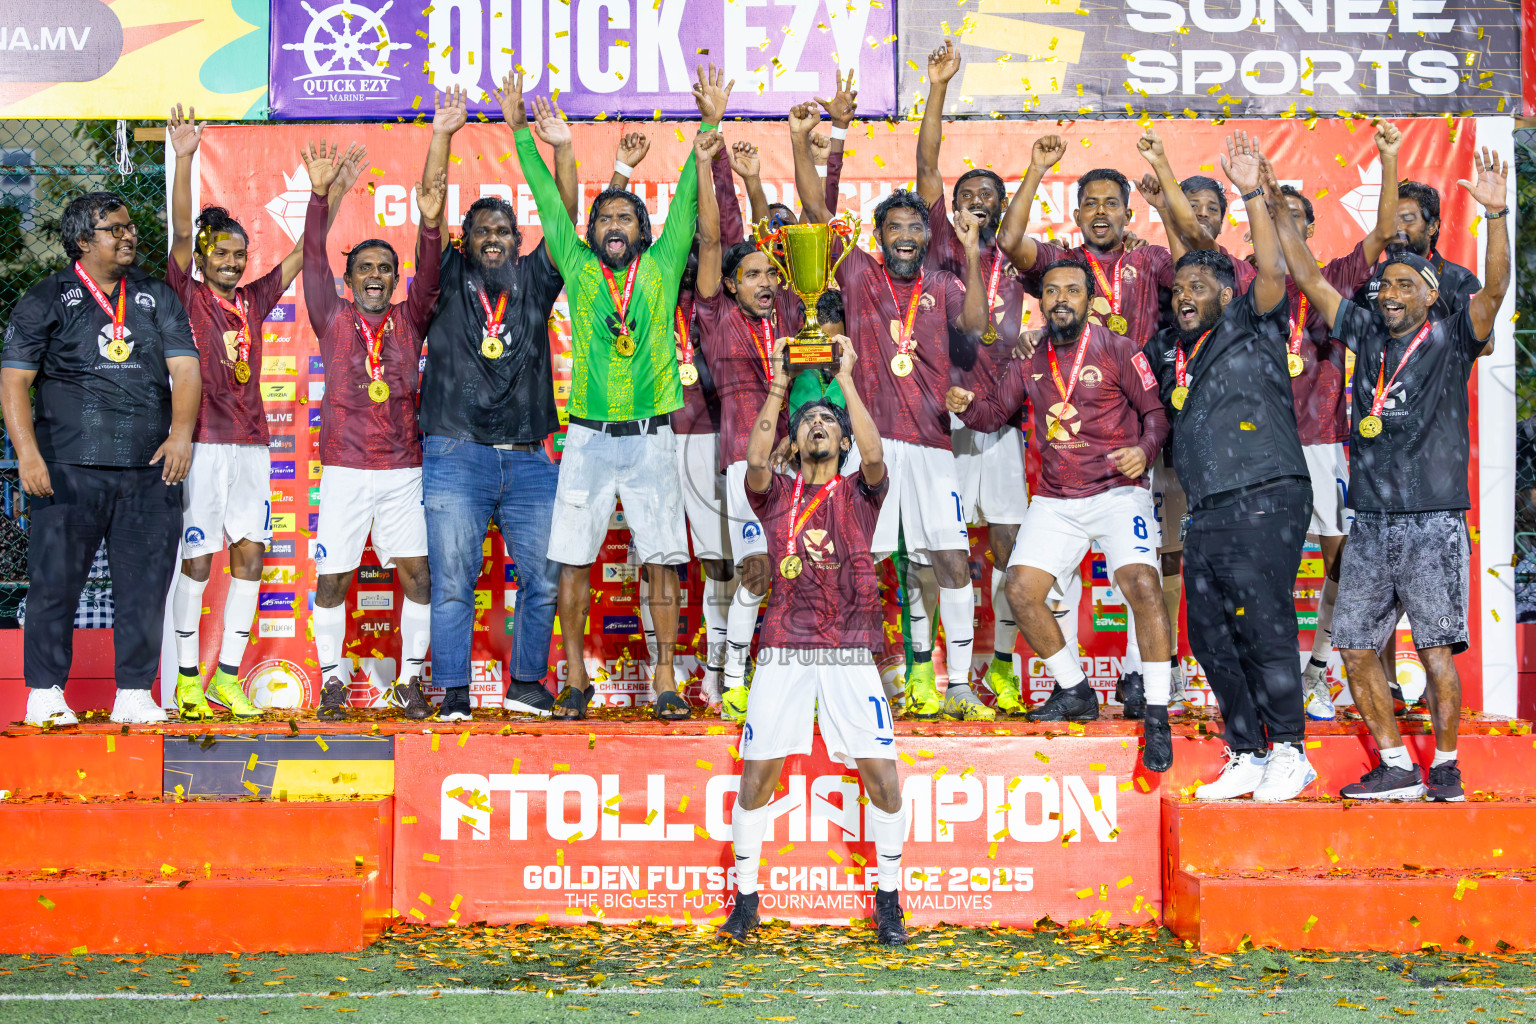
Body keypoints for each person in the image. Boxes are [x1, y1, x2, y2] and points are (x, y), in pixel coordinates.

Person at [1271, 148, 1509, 802]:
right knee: (1352, 647)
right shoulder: (1363, 333)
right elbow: (1310, 278)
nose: (1394, 293)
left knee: (1435, 651)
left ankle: (1450, 765)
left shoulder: (1451, 338)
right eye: (1387, 285)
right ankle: (1399, 764)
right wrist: (1270, 207)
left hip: (1433, 519)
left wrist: (1494, 215)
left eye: (1408, 285)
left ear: (1432, 295)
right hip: (1371, 520)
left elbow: (1491, 291)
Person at [521, 66, 729, 722]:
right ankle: (576, 677)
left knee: (663, 561)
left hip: (651, 441)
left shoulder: (665, 265)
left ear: (642, 231)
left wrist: (710, 126)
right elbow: (549, 203)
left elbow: (691, 203)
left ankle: (666, 675)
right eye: (605, 217)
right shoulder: (578, 268)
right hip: (584, 438)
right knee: (574, 565)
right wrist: (528, 138)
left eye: (625, 217)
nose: (614, 224)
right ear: (592, 231)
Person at [163, 103, 363, 721]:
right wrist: (188, 155)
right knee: (198, 561)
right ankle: (187, 681)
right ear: (201, 258)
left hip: (253, 446)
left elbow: (305, 257)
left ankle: (226, 678)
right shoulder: (186, 291)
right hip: (202, 446)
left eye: (238, 253)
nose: (231, 261)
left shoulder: (252, 298)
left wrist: (323, 199)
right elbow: (175, 235)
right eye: (220, 253)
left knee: (250, 556)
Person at [793, 99, 986, 721]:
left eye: (914, 228)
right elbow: (819, 210)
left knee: (951, 560)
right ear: (880, 237)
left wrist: (974, 255)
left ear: (927, 236)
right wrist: (822, 138)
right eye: (894, 228)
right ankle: (846, 676)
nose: (905, 237)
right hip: (871, 445)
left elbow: (980, 330)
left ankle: (958, 684)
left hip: (931, 445)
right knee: (853, 559)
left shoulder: (945, 283)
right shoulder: (859, 274)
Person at [1142, 133, 1316, 803]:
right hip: (1208, 505)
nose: (1183, 295)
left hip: (1267, 492)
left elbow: (1271, 270)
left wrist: (1249, 193)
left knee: (1263, 622)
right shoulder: (1170, 349)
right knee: (1209, 631)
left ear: (1225, 291)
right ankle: (1246, 750)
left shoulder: (1252, 320)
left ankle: (1291, 750)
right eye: (1177, 288)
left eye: (1196, 286)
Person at [717, 334, 908, 947]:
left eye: (829, 422)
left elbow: (876, 455)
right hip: (782, 653)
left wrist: (846, 379)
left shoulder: (858, 492)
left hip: (852, 653)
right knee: (757, 780)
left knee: (883, 779)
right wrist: (778, 383)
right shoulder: (773, 496)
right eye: (808, 423)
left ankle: (889, 900)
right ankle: (746, 900)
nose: (819, 427)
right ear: (792, 445)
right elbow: (751, 463)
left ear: (842, 441)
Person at [947, 258, 1173, 769]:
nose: (1060, 299)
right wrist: (963, 403)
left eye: (1072, 289)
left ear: (1090, 298)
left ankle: (1157, 713)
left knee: (1141, 583)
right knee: (1020, 590)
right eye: (1051, 291)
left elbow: (1156, 414)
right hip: (1056, 497)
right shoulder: (1029, 357)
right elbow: (992, 415)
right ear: (1041, 300)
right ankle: (1075, 691)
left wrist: (1145, 449)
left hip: (1119, 489)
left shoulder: (1119, 349)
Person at [1001, 132, 1183, 714]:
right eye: (1091, 203)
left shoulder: (1149, 258)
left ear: (1129, 212)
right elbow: (1009, 242)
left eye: (1112, 203)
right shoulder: (1061, 263)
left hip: (1139, 426)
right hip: (1071, 430)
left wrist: (1163, 186)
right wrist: (1034, 167)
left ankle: (1138, 675)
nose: (1101, 212)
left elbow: (1192, 266)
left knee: (1140, 573)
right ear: (1076, 213)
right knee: (1059, 572)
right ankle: (1070, 683)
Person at [4, 191, 201, 726]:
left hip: (150, 469)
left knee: (145, 587)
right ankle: (44, 691)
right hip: (67, 467)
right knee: (54, 584)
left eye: (130, 225)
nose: (129, 234)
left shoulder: (157, 296)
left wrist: (181, 436)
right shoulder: (46, 296)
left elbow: (185, 370)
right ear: (83, 240)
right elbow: (14, 381)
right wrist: (28, 455)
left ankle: (134, 693)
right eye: (114, 228)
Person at [417, 74, 577, 721]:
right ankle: (454, 693)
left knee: (539, 581)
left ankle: (526, 686)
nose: (492, 238)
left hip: (531, 460)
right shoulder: (446, 276)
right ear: (465, 240)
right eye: (481, 229)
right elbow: (430, 202)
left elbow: (563, 222)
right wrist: (442, 136)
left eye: (503, 231)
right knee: (454, 584)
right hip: (456, 454)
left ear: (516, 241)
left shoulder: (536, 282)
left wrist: (562, 150)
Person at [301, 99, 450, 722]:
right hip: (342, 469)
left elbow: (432, 276)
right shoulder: (330, 316)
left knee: (417, 576)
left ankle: (412, 681)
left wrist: (431, 224)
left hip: (402, 468)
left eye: (385, 269)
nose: (375, 277)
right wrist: (318, 199)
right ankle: (333, 680)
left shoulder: (411, 319)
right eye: (365, 268)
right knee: (332, 581)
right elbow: (310, 260)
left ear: (395, 279)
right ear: (350, 275)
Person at [1257, 125, 1402, 720]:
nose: (1286, 224)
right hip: (1263, 448)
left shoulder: (1336, 279)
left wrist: (1388, 159)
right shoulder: (1249, 281)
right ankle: (1270, 674)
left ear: (1310, 229)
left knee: (1341, 559)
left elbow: (1386, 232)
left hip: (1324, 442)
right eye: (1275, 215)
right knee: (1269, 566)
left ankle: (1317, 672)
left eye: (1295, 216)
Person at [914, 40, 1027, 719]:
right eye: (967, 196)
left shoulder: (1019, 265)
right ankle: (927, 673)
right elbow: (927, 163)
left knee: (1009, 552)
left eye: (989, 197)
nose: (976, 203)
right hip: (942, 430)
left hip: (1002, 430)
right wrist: (938, 88)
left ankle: (1005, 669)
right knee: (934, 557)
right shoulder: (936, 248)